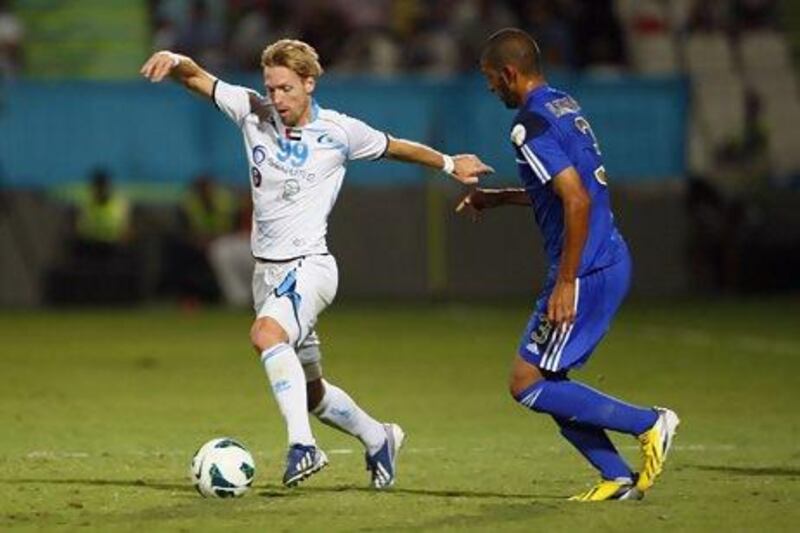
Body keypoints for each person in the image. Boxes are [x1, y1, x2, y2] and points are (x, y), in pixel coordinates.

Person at [140, 39, 492, 489]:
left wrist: (449, 163)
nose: (277, 99)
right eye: (271, 87)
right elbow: (197, 78)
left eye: (286, 88)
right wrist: (173, 60)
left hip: (310, 266)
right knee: (311, 392)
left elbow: (394, 146)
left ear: (309, 83)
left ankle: (302, 447)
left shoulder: (340, 132)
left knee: (266, 336)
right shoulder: (252, 111)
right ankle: (378, 436)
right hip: (265, 274)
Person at [457, 28, 679, 501]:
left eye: (491, 78)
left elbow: (576, 201)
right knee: (546, 378)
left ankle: (649, 422)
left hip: (587, 269)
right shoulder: (563, 104)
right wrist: (497, 200)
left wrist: (565, 281)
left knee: (526, 383)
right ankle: (616, 478)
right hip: (604, 259)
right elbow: (561, 192)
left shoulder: (529, 126)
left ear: (509, 73)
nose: (489, 86)